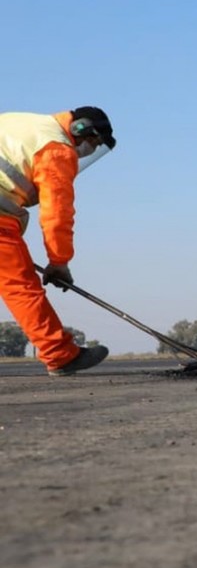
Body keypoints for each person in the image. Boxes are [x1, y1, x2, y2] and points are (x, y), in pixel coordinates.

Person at [0, 107, 116, 376]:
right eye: (94, 143)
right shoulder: (56, 148)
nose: (87, 152)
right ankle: (60, 354)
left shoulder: (21, 122)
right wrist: (59, 262)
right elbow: (57, 214)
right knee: (21, 287)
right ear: (81, 129)